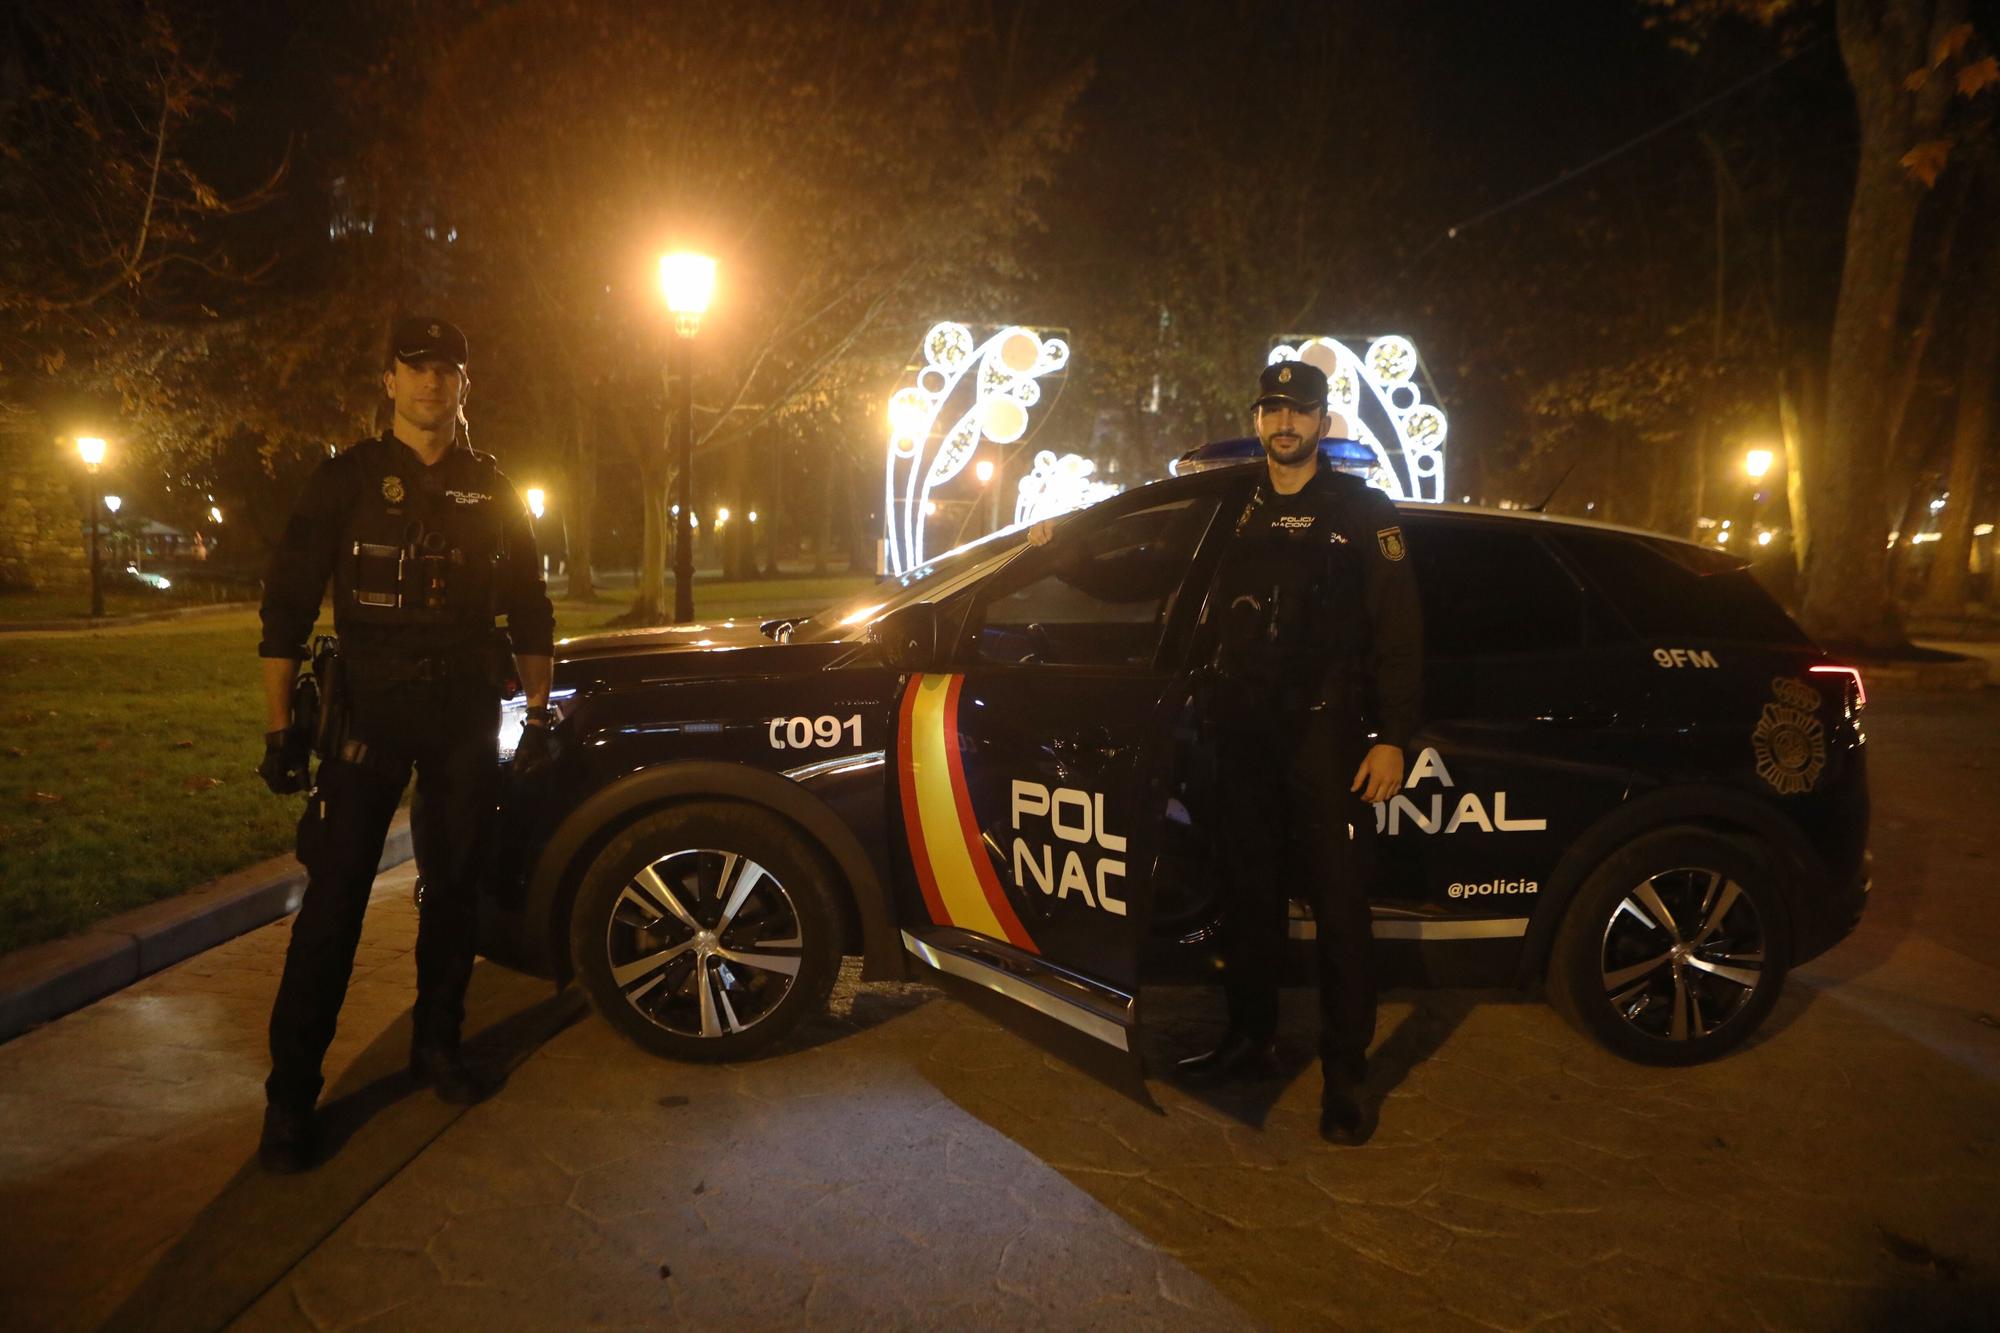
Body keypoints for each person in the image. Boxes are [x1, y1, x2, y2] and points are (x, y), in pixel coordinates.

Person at [253, 316, 556, 1173]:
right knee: (335, 903)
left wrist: (535, 712)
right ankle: (291, 1096)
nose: (432, 382)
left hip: (462, 714)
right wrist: (280, 728)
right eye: (416, 367)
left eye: (447, 369)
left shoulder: (493, 488)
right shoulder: (344, 480)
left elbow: (529, 605)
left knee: (455, 888)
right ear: (388, 379)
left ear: (465, 384)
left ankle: (437, 1046)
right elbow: (286, 606)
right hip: (368, 718)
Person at [1175, 358, 1422, 1146]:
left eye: (1300, 411)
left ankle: (1346, 1073)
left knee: (1342, 913)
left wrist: (1391, 739)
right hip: (1245, 738)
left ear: (1323, 421)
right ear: (1257, 418)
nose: (1285, 423)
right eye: (1273, 409)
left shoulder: (1359, 508)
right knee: (1249, 902)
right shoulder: (1230, 508)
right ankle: (1252, 1038)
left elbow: (1401, 636)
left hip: (1329, 739)